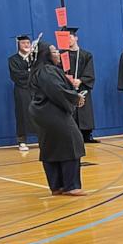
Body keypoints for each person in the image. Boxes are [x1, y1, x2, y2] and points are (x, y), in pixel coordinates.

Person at [28, 39, 86, 196]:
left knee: (51, 147)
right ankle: (71, 186)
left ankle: (57, 186)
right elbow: (56, 90)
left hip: (42, 113)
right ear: (46, 54)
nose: (58, 54)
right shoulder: (47, 70)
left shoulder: (39, 70)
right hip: (51, 112)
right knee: (72, 142)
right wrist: (75, 97)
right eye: (54, 52)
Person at [61, 27, 98, 142]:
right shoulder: (62, 55)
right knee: (70, 112)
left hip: (82, 87)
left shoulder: (86, 55)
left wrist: (81, 80)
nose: (68, 40)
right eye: (65, 38)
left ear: (76, 38)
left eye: (70, 37)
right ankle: (71, 136)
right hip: (67, 88)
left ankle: (87, 135)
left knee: (84, 111)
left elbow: (89, 71)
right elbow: (58, 71)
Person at [8, 34, 36, 151]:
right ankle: (22, 140)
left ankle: (44, 139)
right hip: (22, 90)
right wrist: (30, 74)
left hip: (36, 89)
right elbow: (17, 76)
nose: (26, 45)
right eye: (23, 43)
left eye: (28, 43)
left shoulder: (34, 58)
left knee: (40, 113)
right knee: (22, 114)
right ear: (18, 45)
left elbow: (39, 72)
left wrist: (29, 74)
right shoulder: (13, 60)